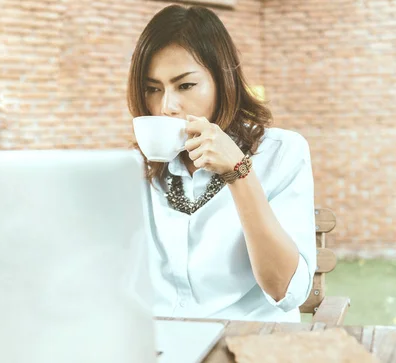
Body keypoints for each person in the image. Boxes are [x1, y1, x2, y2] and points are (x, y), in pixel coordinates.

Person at [127, 4, 316, 323]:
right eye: (152, 89)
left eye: (185, 85)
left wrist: (239, 173)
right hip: (161, 343)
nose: (166, 107)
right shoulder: (135, 169)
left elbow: (287, 291)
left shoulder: (281, 151)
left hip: (249, 340)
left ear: (222, 81)